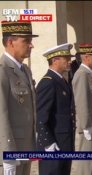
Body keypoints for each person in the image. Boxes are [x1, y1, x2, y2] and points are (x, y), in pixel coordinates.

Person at [0, 21, 38, 175]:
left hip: (26, 147)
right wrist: (7, 154)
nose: (31, 45)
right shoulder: (2, 71)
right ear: (10, 42)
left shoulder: (25, 70)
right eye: (26, 41)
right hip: (11, 149)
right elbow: (1, 116)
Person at [36, 43, 76, 175]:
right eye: (66, 58)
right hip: (54, 144)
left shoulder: (61, 80)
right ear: (54, 60)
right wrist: (48, 142)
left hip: (64, 142)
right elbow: (40, 116)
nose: (70, 61)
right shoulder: (48, 82)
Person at [72, 43, 92, 175]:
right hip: (89, 126)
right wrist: (85, 126)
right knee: (86, 163)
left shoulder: (91, 74)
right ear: (86, 57)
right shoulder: (81, 74)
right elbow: (81, 101)